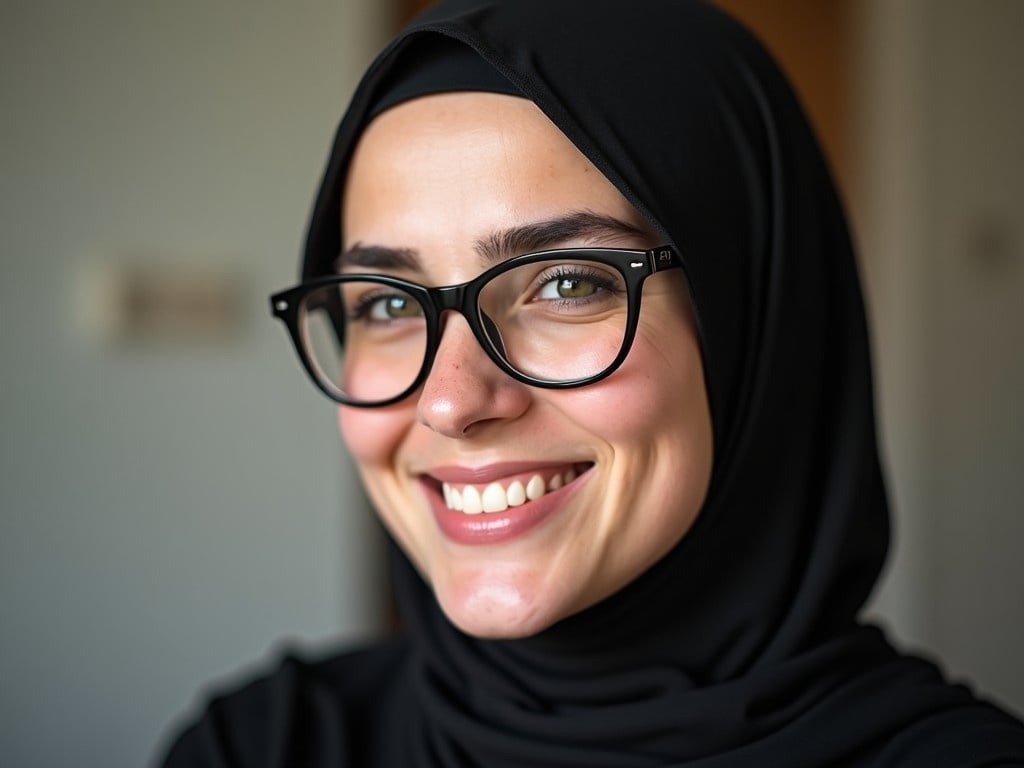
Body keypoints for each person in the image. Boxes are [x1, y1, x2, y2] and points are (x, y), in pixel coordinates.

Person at [158, 1, 1024, 765]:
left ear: (755, 324)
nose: (452, 401)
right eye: (387, 301)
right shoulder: (267, 743)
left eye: (567, 284)